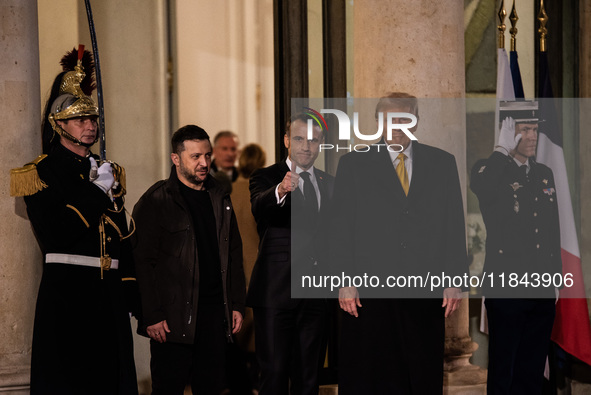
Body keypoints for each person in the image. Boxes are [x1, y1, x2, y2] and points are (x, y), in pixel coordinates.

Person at [10, 47, 139, 394]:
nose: (89, 125)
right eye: (80, 120)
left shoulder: (107, 170)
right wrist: (97, 192)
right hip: (69, 292)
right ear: (59, 124)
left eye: (93, 119)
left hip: (108, 294)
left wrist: (130, 294)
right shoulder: (40, 172)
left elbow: (122, 238)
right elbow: (57, 233)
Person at [330, 92, 468, 394]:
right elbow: (340, 228)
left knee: (420, 373)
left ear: (415, 122)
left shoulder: (442, 163)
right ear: (379, 123)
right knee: (374, 375)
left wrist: (455, 278)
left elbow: (453, 225)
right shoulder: (353, 164)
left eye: (404, 119)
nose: (397, 126)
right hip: (369, 294)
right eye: (390, 120)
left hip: (424, 291)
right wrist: (344, 280)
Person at [132, 124, 246, 394]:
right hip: (172, 319)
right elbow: (141, 262)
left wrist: (237, 303)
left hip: (215, 317)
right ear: (176, 159)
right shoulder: (156, 200)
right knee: (168, 388)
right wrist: (151, 315)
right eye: (195, 156)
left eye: (207, 155)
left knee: (212, 388)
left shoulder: (220, 197)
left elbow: (234, 254)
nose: (204, 162)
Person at [470, 100, 561, 394]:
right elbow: (482, 189)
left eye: (535, 129)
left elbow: (552, 230)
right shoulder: (489, 169)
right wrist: (500, 151)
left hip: (541, 286)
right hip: (506, 288)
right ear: (509, 133)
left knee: (531, 370)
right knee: (503, 371)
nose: (533, 136)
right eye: (525, 130)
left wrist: (555, 277)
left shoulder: (543, 173)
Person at [247, 114, 334, 394]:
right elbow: (261, 209)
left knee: (309, 379)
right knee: (273, 375)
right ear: (286, 141)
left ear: (321, 144)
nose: (306, 146)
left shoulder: (328, 182)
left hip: (316, 295)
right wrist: (282, 189)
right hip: (276, 293)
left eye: (313, 140)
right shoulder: (266, 176)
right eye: (299, 138)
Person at [228, 143, 267, 394]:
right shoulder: (261, 192)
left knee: (237, 335)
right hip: (259, 268)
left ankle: (239, 384)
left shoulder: (228, 192)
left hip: (235, 270)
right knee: (260, 337)